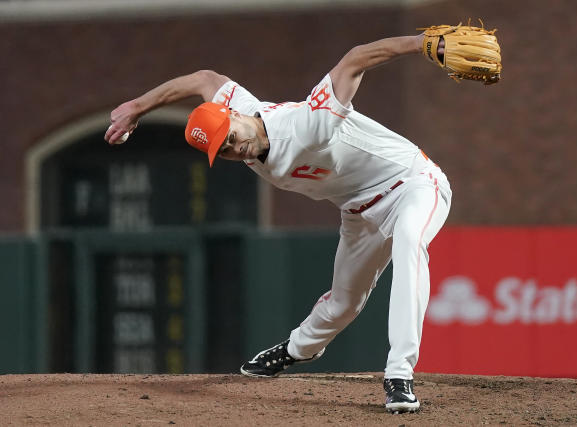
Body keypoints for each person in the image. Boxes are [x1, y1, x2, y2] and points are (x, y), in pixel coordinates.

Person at [105, 33, 452, 414]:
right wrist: (138, 107)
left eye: (231, 138)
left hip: (413, 182)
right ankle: (295, 350)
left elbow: (355, 58)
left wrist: (424, 43)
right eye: (223, 151)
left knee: (408, 241)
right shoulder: (239, 115)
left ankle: (399, 375)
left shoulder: (306, 123)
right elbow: (203, 79)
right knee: (342, 303)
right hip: (358, 210)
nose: (234, 150)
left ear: (235, 115)